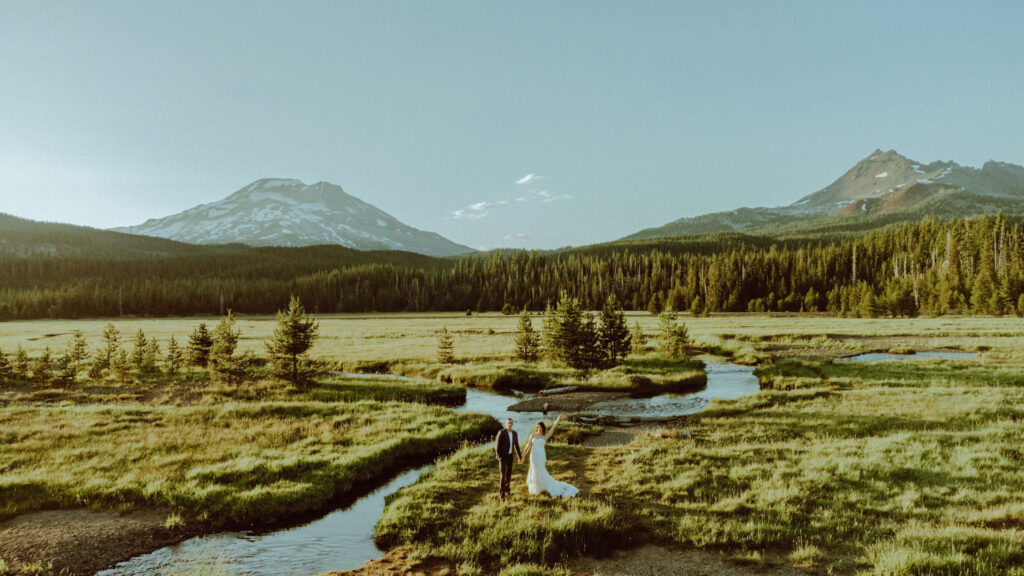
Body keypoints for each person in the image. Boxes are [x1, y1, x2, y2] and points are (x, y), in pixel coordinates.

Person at [520, 413, 579, 498]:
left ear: (543, 428)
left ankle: (543, 487)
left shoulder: (545, 436)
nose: (539, 429)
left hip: (541, 457)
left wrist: (558, 418)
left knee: (541, 470)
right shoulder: (533, 435)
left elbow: (553, 428)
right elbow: (528, 446)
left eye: (540, 427)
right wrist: (523, 455)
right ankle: (536, 489)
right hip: (533, 456)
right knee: (534, 470)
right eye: (538, 427)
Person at [495, 417, 522, 501]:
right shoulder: (501, 432)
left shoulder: (514, 433)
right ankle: (502, 495)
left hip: (510, 456)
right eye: (508, 423)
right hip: (503, 457)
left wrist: (520, 456)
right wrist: (499, 456)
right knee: (502, 476)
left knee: (509, 475)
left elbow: (516, 446)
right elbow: (497, 446)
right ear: (506, 424)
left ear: (512, 424)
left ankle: (507, 489)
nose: (509, 424)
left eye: (511, 423)